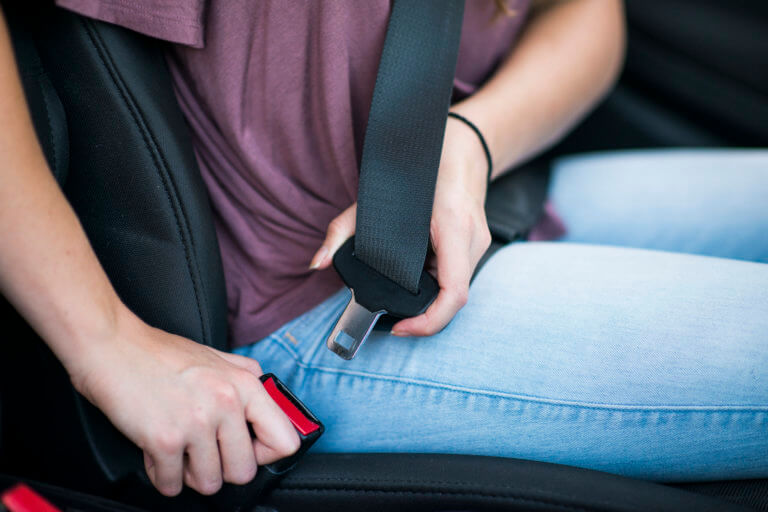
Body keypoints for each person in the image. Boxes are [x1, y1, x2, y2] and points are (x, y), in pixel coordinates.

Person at [1, 0, 766, 499]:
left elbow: (589, 14)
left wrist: (470, 142)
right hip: (322, 307)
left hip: (492, 190)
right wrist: (105, 342)